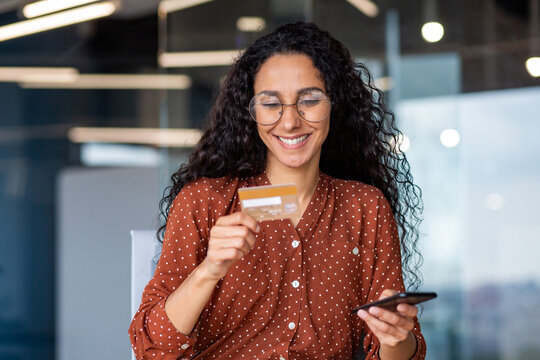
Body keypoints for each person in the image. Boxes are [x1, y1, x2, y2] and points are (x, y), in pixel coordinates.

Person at [129, 21, 425, 359]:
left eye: (309, 100)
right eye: (271, 104)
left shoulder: (364, 207)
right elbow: (152, 348)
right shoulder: (205, 202)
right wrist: (208, 270)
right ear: (251, 113)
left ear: (334, 104)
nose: (289, 122)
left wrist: (394, 337)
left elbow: (400, 352)